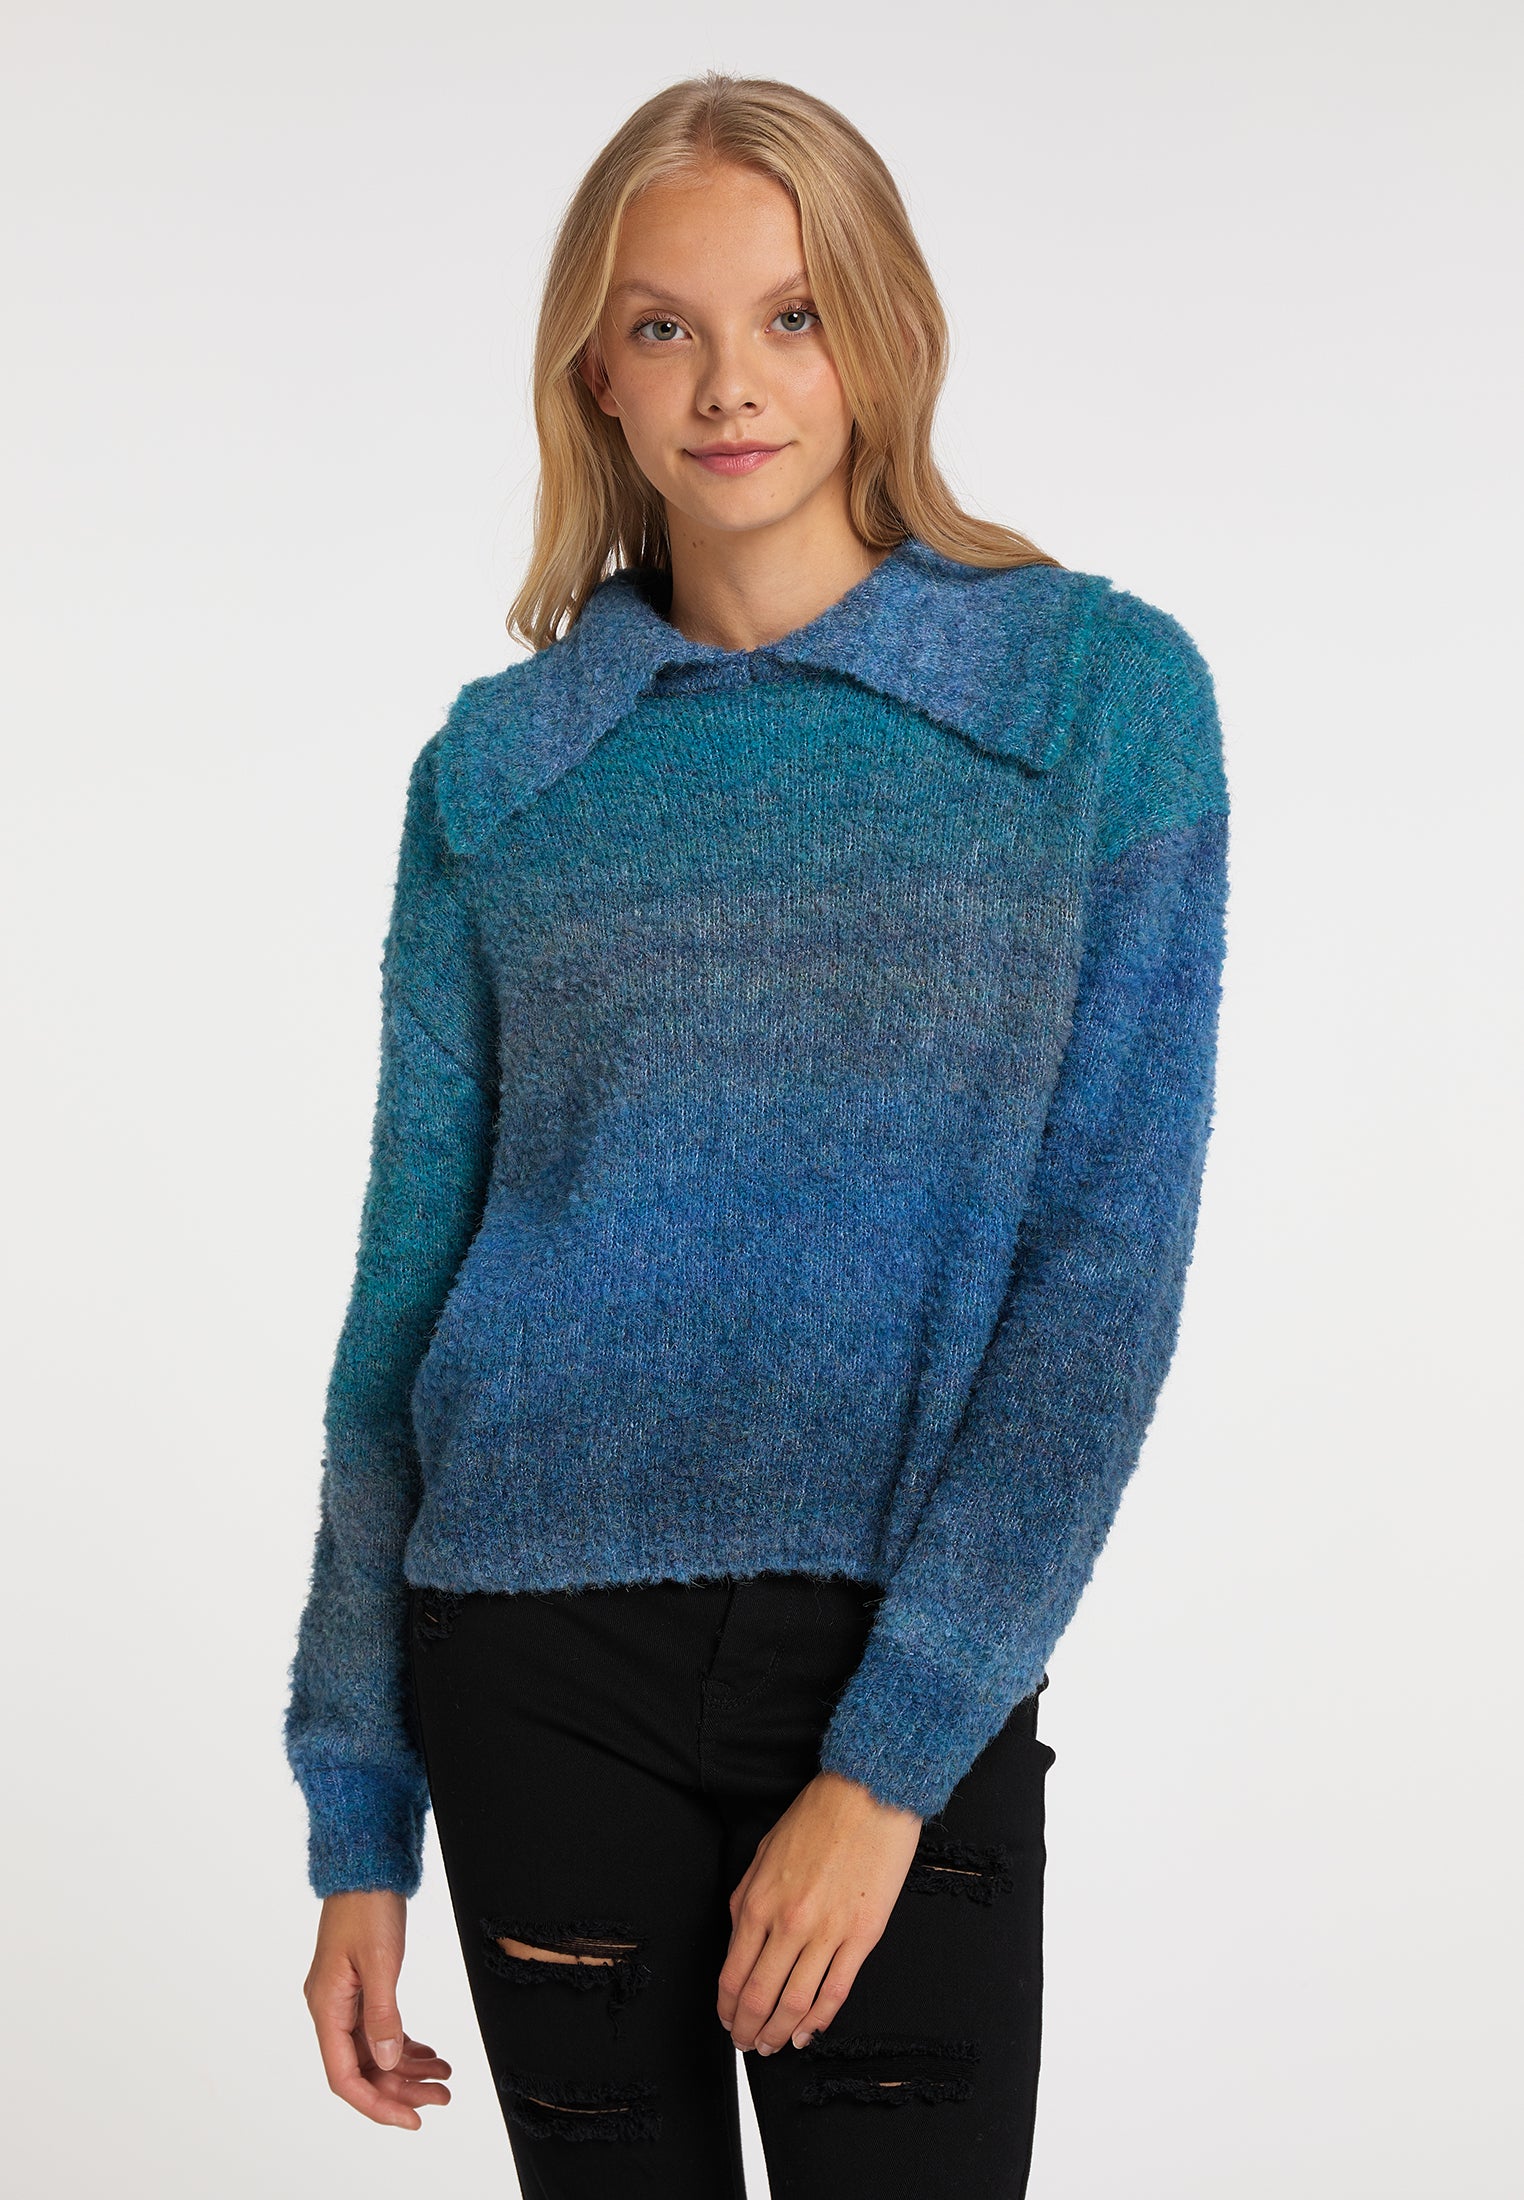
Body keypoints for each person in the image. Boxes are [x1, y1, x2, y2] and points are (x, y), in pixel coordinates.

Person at [283, 70, 1230, 2199]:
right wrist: (357, 1810)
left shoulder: (1094, 703)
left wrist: (890, 1764)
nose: (731, 383)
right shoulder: (501, 773)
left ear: (881, 333)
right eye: (667, 326)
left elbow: (1101, 1278)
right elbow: (401, 1304)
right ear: (595, 377)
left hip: (899, 1646)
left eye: (792, 316)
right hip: (527, 1655)